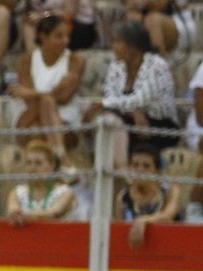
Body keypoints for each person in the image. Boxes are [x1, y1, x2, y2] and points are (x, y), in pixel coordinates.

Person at [84, 21, 179, 167]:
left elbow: (141, 99)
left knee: (111, 118)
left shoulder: (157, 65)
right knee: (108, 120)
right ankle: (115, 173)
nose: (113, 46)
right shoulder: (116, 66)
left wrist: (103, 104)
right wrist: (134, 113)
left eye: (117, 42)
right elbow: (111, 95)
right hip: (130, 120)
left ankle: (119, 174)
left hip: (160, 124)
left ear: (133, 46)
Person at [11, 15, 85, 159]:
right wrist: (53, 91)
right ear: (43, 36)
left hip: (65, 118)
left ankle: (56, 159)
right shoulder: (25, 62)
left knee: (42, 117)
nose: (66, 41)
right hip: (31, 116)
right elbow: (30, 103)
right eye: (59, 36)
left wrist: (31, 93)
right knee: (46, 103)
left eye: (67, 36)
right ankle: (62, 158)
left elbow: (64, 98)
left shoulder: (76, 61)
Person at [119, 144, 187, 247]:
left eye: (146, 166)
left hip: (171, 250)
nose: (140, 170)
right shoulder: (123, 197)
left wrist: (143, 220)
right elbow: (119, 230)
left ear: (157, 171)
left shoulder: (171, 190)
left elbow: (168, 217)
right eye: (135, 165)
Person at [5, 137, 79, 224]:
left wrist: (27, 216)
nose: (32, 168)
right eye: (28, 163)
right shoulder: (16, 192)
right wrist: (14, 213)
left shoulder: (66, 192)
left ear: (52, 166)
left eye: (38, 163)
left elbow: (55, 212)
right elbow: (13, 211)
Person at [124, 0, 196, 58]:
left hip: (179, 24)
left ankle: (157, 68)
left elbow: (159, 5)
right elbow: (130, 5)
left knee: (153, 20)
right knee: (133, 17)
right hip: (148, 19)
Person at [20, 0, 99, 52]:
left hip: (80, 27)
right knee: (29, 24)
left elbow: (69, 13)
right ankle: (34, 61)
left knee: (55, 29)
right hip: (51, 23)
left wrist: (43, 16)